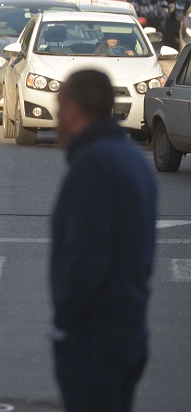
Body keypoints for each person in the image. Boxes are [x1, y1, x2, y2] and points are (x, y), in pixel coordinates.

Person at [50, 69, 157, 412]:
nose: (56, 122)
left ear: (72, 111)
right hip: (129, 328)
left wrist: (65, 324)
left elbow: (85, 259)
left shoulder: (93, 166)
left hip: (94, 338)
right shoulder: (132, 158)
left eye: (59, 110)